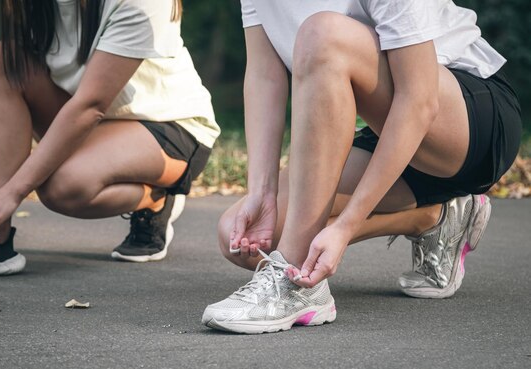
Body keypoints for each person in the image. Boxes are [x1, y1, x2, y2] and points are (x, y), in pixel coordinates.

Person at [202, 0, 521, 334]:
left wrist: (347, 225)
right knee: (242, 236)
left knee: (323, 34)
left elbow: (420, 100)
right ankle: (435, 218)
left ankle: (297, 284)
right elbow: (265, 77)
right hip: (388, 134)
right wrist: (261, 193)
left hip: (465, 122)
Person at [0, 0, 220, 283]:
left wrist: (12, 192)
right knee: (0, 61)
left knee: (61, 186)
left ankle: (156, 198)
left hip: (170, 124)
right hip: (92, 118)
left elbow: (91, 104)